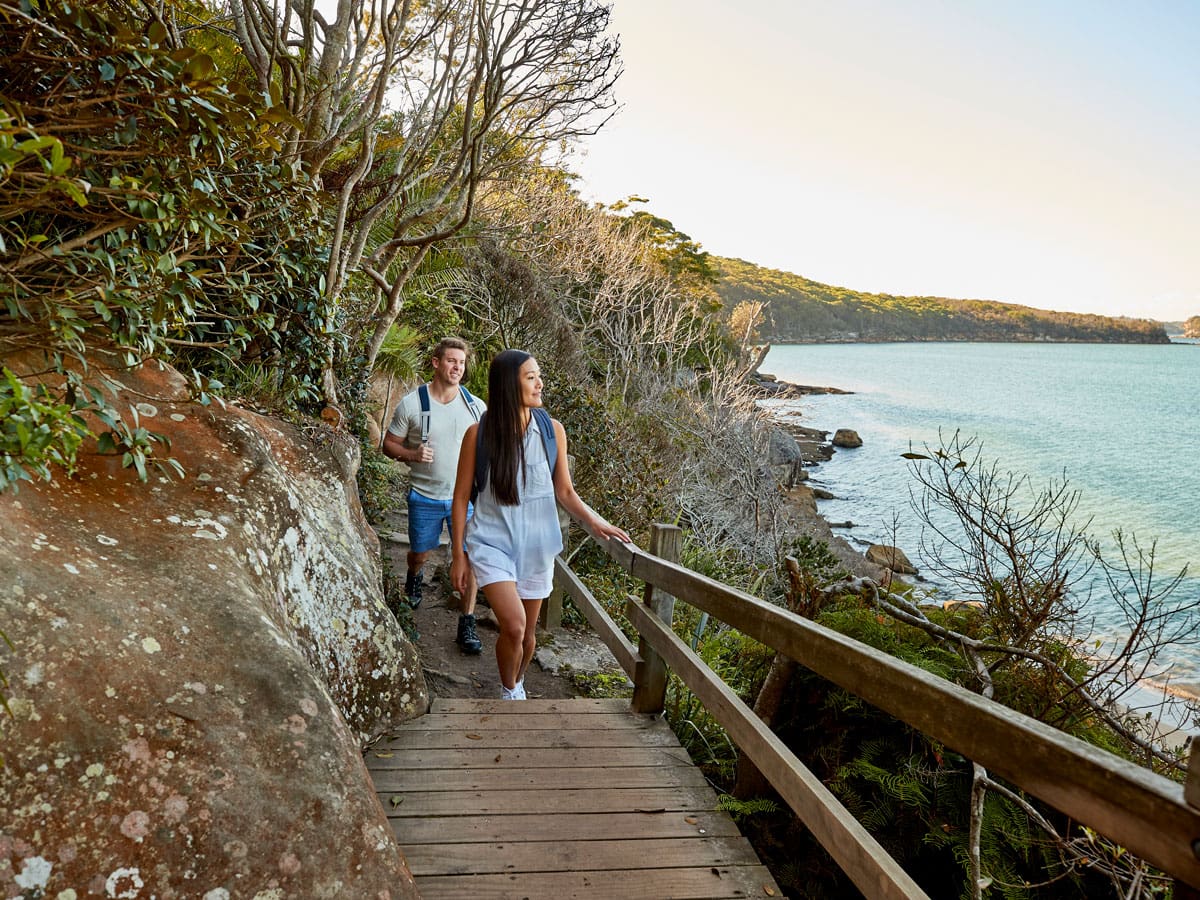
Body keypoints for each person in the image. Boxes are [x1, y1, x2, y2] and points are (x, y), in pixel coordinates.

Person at [450, 350, 630, 699]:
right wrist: (460, 554)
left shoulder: (552, 431)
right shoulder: (479, 435)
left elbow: (564, 491)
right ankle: (509, 692)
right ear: (508, 385)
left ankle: (518, 681)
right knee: (514, 627)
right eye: (530, 376)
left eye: (538, 375)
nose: (540, 383)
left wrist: (597, 522)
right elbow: (460, 498)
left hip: (537, 546)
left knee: (529, 635)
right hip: (492, 543)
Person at [382, 337, 485, 655]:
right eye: (452, 360)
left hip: (465, 500)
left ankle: (467, 623)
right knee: (420, 553)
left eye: (462, 362)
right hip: (424, 496)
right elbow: (388, 444)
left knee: (469, 560)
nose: (458, 367)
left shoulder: (476, 407)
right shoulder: (412, 404)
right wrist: (412, 455)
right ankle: (414, 575)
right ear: (436, 363)